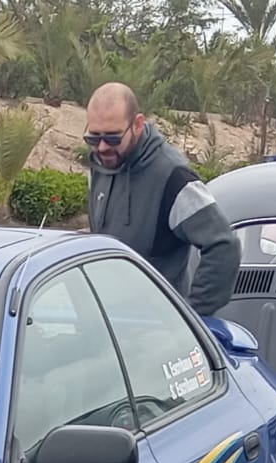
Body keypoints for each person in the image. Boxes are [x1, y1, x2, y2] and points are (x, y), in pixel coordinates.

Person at [83, 82, 240, 317]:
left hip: (156, 333)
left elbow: (223, 246)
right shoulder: (102, 165)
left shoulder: (173, 178)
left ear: (137, 125)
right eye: (93, 137)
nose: (102, 147)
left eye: (113, 138)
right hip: (107, 322)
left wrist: (191, 317)